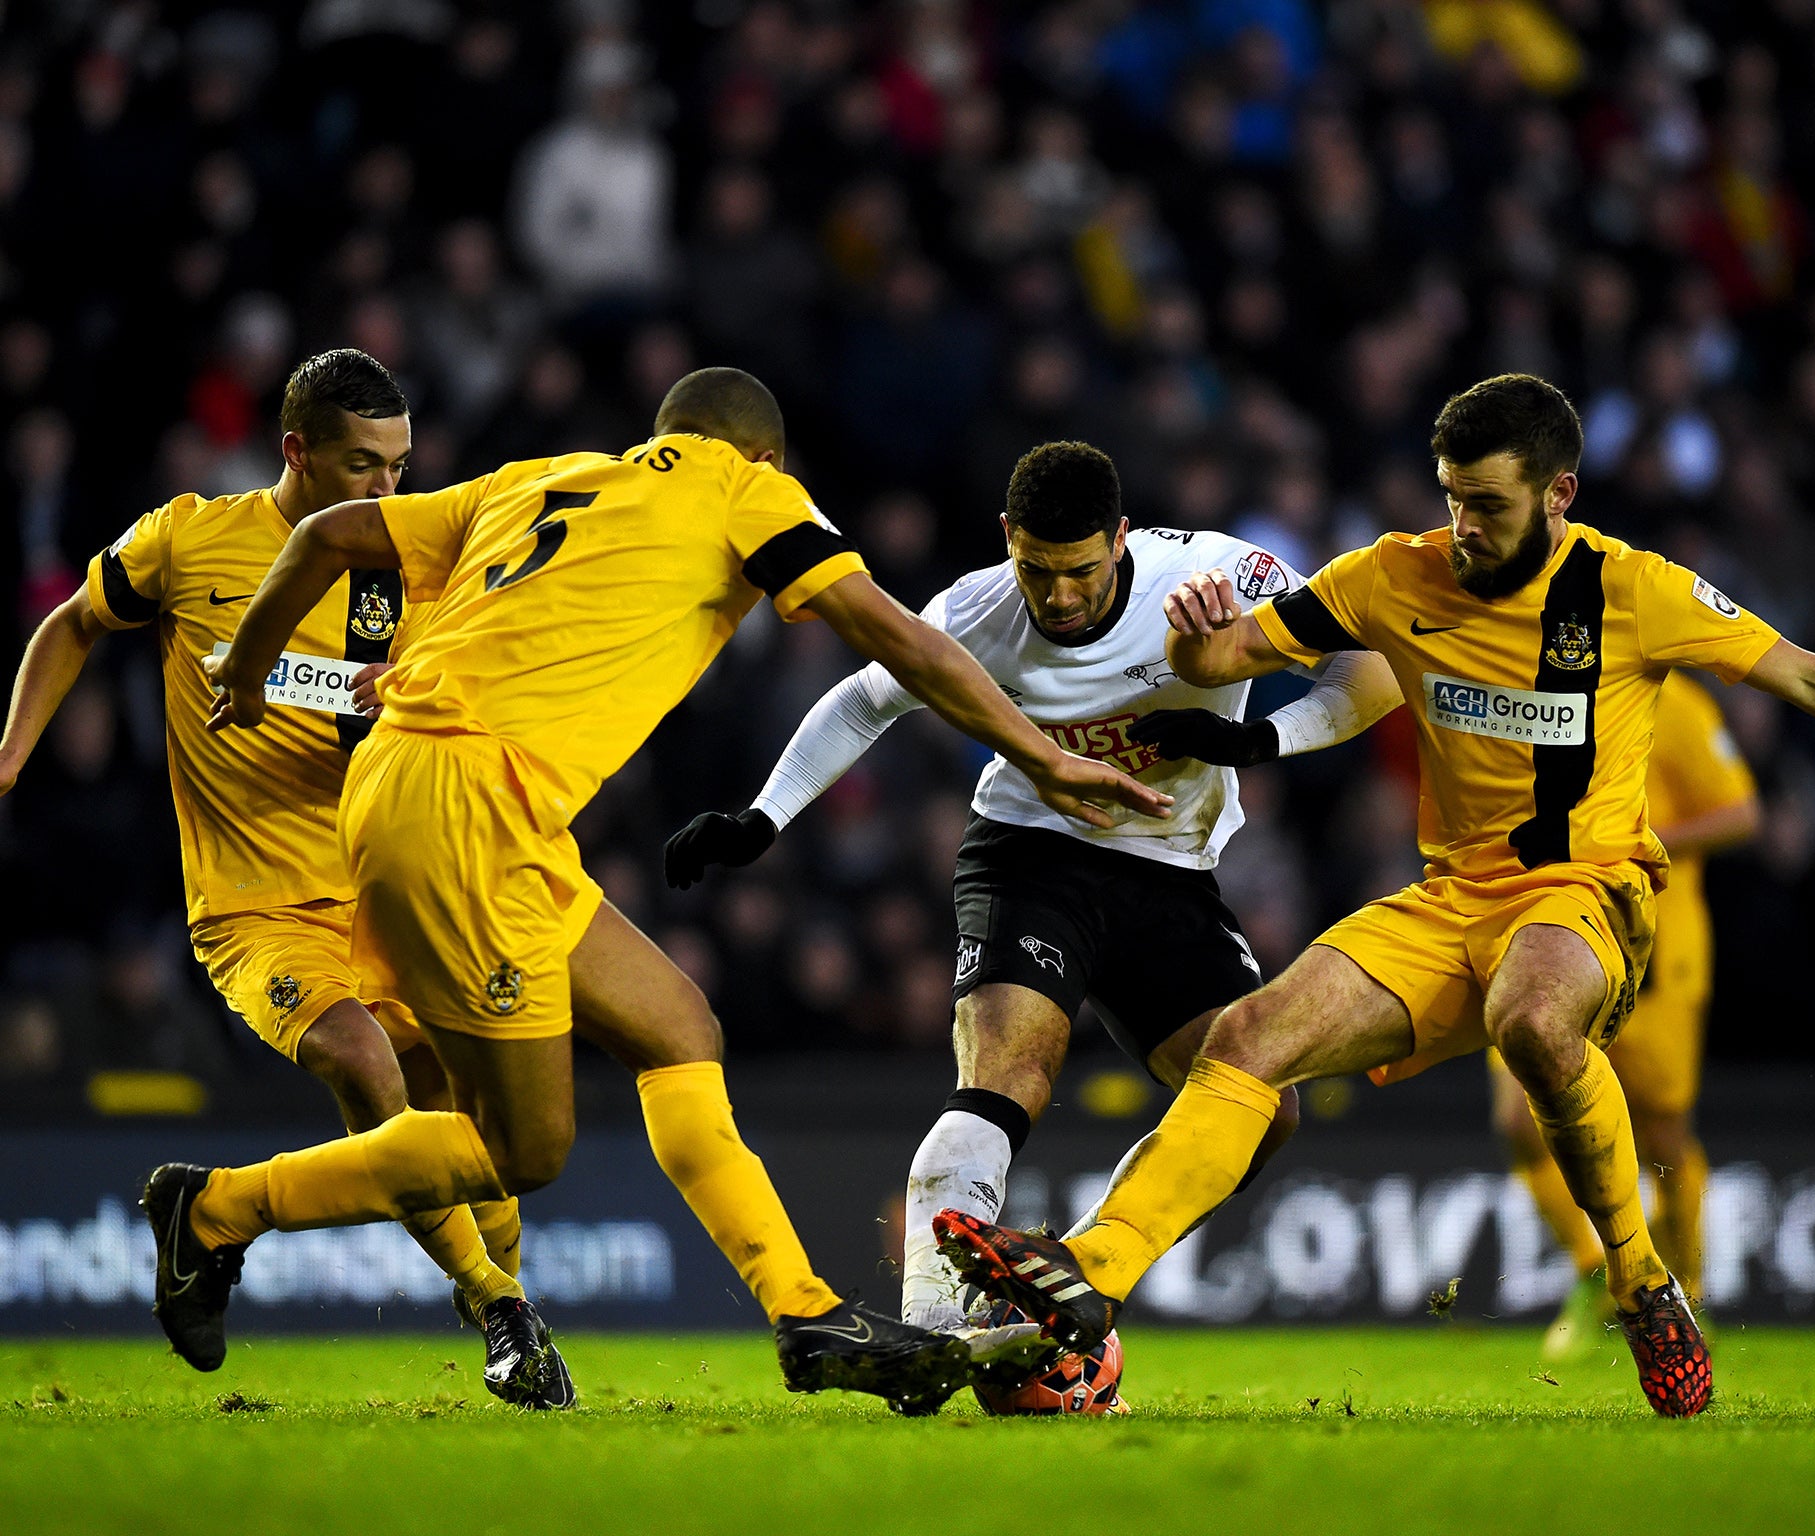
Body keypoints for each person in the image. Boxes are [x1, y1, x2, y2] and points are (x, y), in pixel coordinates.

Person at [933, 373, 1815, 1419]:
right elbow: (1240, 653)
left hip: (1585, 891)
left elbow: (1808, 676)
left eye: (1487, 504)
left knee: (1531, 1013)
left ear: (1559, 494)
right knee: (1248, 1038)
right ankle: (1090, 1272)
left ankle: (1641, 1280)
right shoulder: (1391, 574)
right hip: (1446, 901)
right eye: (1452, 499)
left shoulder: (1634, 592)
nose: (1463, 524)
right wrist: (1201, 631)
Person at [155, 367, 1169, 1415]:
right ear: (764, 457)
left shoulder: (541, 479)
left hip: (446, 794)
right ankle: (220, 1212)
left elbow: (324, 537)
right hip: (465, 804)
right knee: (522, 1151)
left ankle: (807, 1313)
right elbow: (899, 638)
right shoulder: (742, 487)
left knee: (677, 1027)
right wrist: (1039, 754)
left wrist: (247, 667)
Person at [664, 440, 1402, 1371]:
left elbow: (1368, 666)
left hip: (1171, 872)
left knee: (1266, 1108)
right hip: (1030, 854)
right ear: (1006, 538)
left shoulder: (1218, 574)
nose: (1058, 596)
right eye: (1038, 570)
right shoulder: (973, 611)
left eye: (1081, 571)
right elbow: (861, 703)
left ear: (1122, 538)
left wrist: (1253, 740)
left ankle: (1060, 1272)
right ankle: (935, 1333)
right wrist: (762, 819)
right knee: (1010, 1075)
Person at [0, 350, 550, 1404]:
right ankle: (497, 1307)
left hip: (385, 892)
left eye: (399, 465)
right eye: (362, 466)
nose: (387, 490)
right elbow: (74, 622)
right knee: (364, 1065)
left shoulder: (407, 568)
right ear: (294, 450)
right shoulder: (190, 539)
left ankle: (511, 1309)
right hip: (255, 910)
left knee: (471, 1103)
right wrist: (15, 752)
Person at [1493, 669, 1757, 1358]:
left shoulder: (1677, 705)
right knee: (1522, 1120)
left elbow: (1741, 812)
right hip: (1540, 937)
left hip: (1653, 955)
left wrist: (1639, 837)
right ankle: (1594, 1273)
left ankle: (1687, 1296)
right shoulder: (1517, 690)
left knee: (1662, 1133)